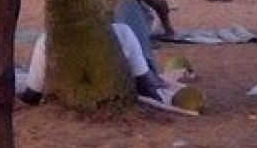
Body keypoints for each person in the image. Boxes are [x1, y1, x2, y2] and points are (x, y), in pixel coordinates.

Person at [18, 23, 170, 106]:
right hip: (114, 103)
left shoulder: (46, 40)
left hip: (70, 107)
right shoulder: (122, 32)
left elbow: (32, 95)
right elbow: (146, 86)